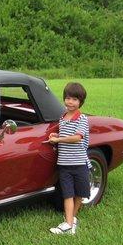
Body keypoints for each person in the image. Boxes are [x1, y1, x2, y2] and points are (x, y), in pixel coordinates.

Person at [46, 82, 90, 234]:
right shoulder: (63, 118)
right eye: (68, 98)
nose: (70, 102)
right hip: (64, 163)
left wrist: (58, 140)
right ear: (64, 99)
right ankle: (69, 224)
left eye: (75, 99)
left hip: (79, 163)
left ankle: (71, 220)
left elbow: (77, 137)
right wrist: (56, 135)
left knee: (80, 193)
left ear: (80, 102)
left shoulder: (82, 118)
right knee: (68, 194)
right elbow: (66, 135)